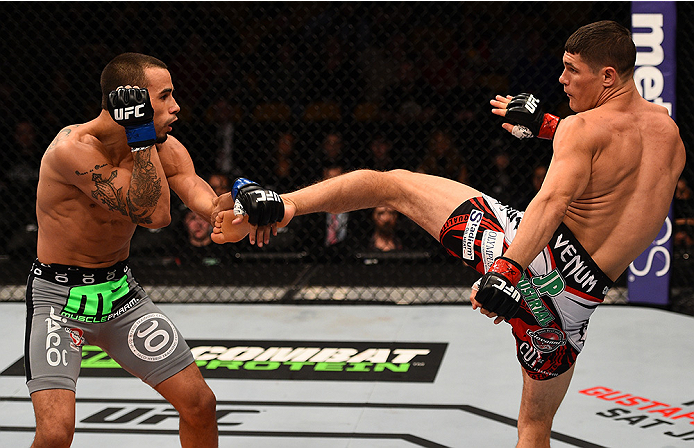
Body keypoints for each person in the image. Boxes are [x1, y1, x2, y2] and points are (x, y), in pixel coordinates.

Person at [213, 21, 686, 447]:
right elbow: (615, 166)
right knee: (534, 428)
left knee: (392, 185)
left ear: (607, 76)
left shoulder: (582, 129)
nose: (561, 80)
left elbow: (552, 202)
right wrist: (546, 126)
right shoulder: (668, 133)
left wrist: (506, 271)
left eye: (571, 70)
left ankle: (283, 205)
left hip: (533, 258)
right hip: (575, 305)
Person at [26, 52, 281, 448]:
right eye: (164, 96)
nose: (176, 106)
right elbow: (155, 215)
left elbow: (208, 204)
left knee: (200, 405)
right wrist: (142, 137)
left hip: (119, 294)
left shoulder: (167, 148)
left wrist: (242, 199)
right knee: (56, 433)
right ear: (130, 101)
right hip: (58, 299)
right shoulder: (71, 150)